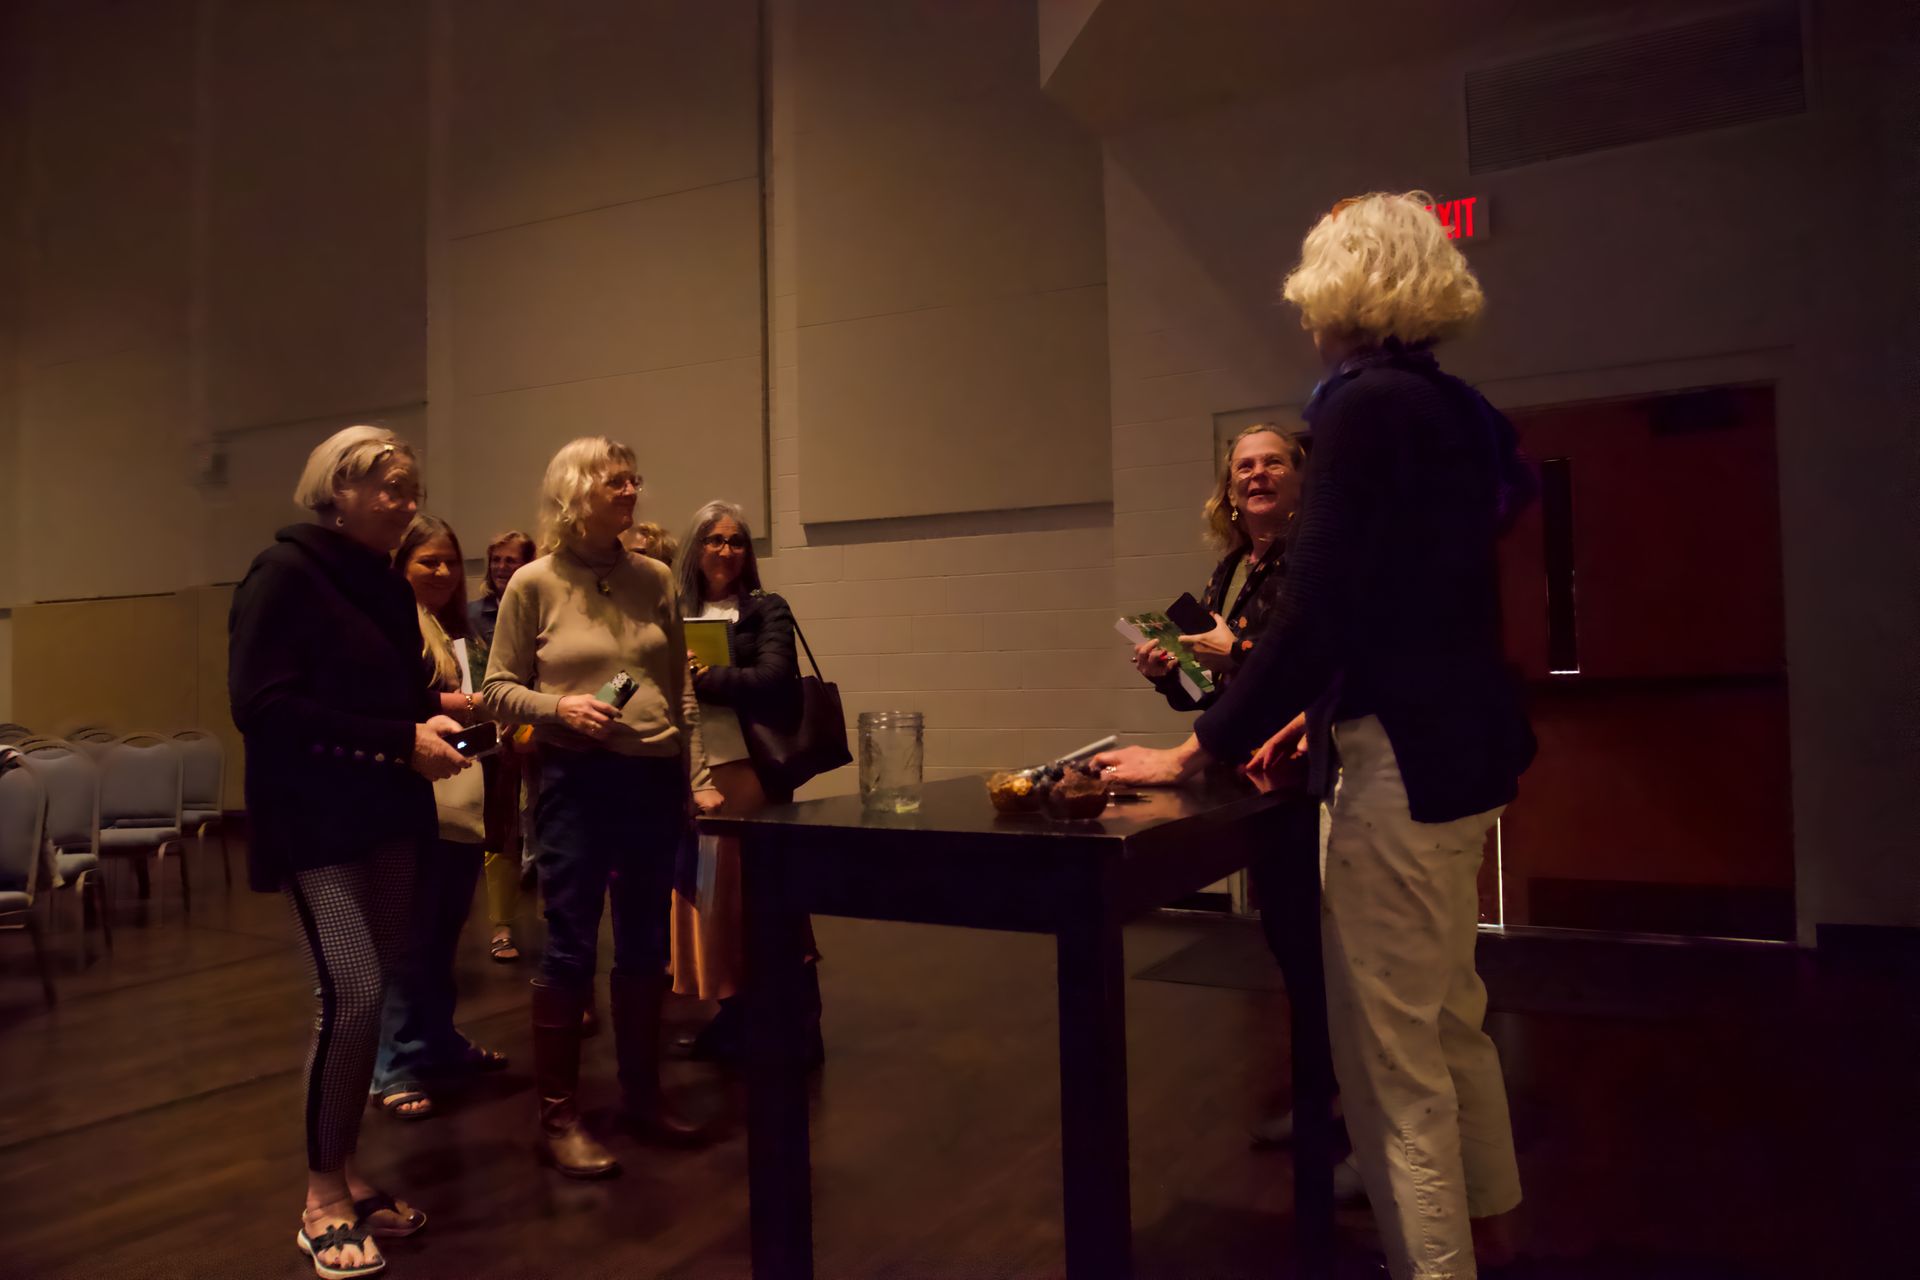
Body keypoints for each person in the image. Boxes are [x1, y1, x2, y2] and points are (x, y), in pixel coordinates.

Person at [1096, 191, 1536, 1279]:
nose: (1300, 311)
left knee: (1390, 1058)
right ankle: (1493, 1234)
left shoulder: (1361, 406)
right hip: (1468, 749)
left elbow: (1320, 605)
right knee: (1449, 1017)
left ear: (1346, 287)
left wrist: (1196, 746)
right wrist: (1315, 707)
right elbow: (1409, 594)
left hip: (1405, 764)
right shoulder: (1455, 406)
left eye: (1308, 288)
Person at [229, 424, 469, 1279]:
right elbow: (262, 708)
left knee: (369, 997)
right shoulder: (284, 573)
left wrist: (438, 714)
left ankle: (351, 1173)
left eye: (411, 487)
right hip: (315, 823)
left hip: (387, 814)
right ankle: (321, 1199)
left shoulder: (383, 583)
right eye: (388, 487)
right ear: (337, 490)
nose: (406, 501)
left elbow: (386, 695)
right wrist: (399, 739)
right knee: (353, 995)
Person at [482, 436, 723, 1179]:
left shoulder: (655, 577)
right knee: (570, 946)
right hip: (575, 782)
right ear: (575, 491)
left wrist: (696, 775)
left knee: (646, 946)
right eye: (615, 481)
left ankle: (642, 1099)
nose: (631, 491)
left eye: (633, 480)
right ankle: (559, 1118)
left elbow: (680, 688)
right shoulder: (533, 583)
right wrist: (559, 708)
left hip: (651, 780)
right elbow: (496, 689)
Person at [1127, 425, 1350, 1174]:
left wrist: (1239, 651)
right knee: (1291, 946)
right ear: (1228, 489)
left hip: (1311, 777)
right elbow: (1210, 693)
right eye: (1244, 467)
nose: (1257, 475)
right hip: (1248, 781)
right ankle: (1322, 1103)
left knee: (1321, 951)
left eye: (1273, 463)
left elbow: (1309, 665)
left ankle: (1341, 1109)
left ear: (1300, 478)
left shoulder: (1310, 563)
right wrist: (1171, 672)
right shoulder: (1228, 570)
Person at [667, 501, 821, 1066]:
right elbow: (635, 675)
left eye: (736, 541)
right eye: (714, 540)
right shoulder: (671, 608)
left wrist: (704, 676)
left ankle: (799, 1029)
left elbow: (774, 677)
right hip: (689, 771)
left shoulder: (765, 608)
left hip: (748, 770)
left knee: (761, 896)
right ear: (695, 548)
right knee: (708, 900)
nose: (726, 551)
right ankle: (734, 1017)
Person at [368, 516, 508, 1120]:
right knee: (408, 939)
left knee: (444, 933)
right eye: (429, 561)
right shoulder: (391, 625)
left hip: (463, 797)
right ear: (400, 565)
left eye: (451, 560)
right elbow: (396, 704)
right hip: (411, 801)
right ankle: (393, 1065)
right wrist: (476, 703)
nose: (445, 572)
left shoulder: (460, 631)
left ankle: (437, 1041)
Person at [470, 530, 535, 964]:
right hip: (491, 733)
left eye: (511, 560)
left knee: (545, 827)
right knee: (501, 832)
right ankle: (501, 926)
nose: (501, 567)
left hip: (541, 728)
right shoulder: (472, 615)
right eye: (496, 559)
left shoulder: (541, 604)